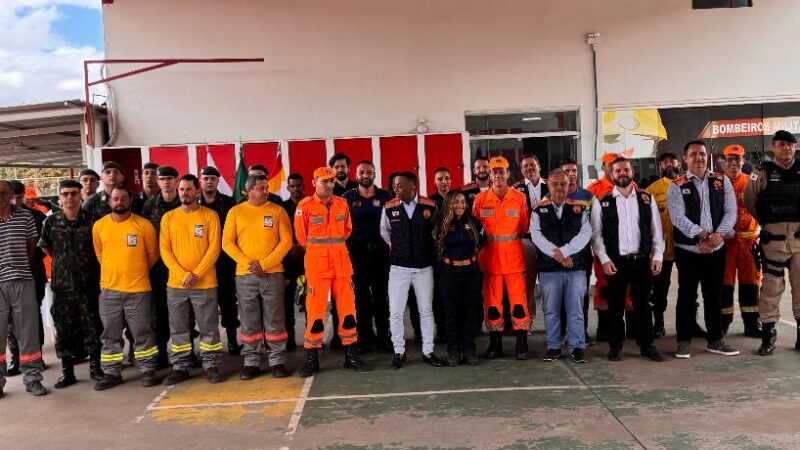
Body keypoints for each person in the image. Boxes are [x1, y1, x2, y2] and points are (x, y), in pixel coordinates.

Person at [295, 167, 372, 376]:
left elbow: (347, 230)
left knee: (348, 312)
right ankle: (312, 358)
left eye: (330, 181)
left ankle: (351, 356)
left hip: (341, 264)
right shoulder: (304, 206)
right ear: (314, 183)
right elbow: (302, 238)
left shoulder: (341, 203)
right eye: (323, 181)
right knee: (315, 313)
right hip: (317, 267)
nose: (328, 185)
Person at [668, 140, 739, 359]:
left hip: (716, 250)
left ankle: (715, 340)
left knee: (714, 296)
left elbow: (731, 211)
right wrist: (704, 235)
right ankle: (683, 341)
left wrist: (718, 236)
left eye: (701, 153)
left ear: (707, 156)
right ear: (685, 158)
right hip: (688, 251)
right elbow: (677, 217)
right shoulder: (677, 185)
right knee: (687, 296)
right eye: (693, 154)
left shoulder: (721, 180)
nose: (698, 157)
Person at [592, 157, 665, 362]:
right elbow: (596, 236)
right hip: (615, 262)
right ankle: (616, 346)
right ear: (611, 174)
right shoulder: (603, 202)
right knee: (615, 306)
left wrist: (657, 255)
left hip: (641, 261)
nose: (622, 173)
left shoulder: (646, 199)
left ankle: (647, 345)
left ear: (632, 172)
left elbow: (656, 231)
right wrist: (605, 260)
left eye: (625, 170)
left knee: (643, 305)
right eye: (617, 171)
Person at [222, 174, 293, 379]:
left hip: (273, 274)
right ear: (248, 190)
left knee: (275, 318)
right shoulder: (236, 212)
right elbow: (227, 243)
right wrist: (250, 265)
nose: (265, 191)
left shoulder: (277, 211)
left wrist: (264, 264)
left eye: (266, 187)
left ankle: (277, 361)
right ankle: (251, 361)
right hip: (245, 276)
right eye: (260, 188)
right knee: (248, 320)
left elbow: (286, 241)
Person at [92, 184, 160, 390]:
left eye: (123, 198)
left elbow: (152, 255)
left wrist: (135, 272)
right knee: (110, 334)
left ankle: (148, 369)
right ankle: (112, 373)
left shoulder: (143, 225)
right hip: (110, 290)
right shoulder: (100, 226)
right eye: (115, 199)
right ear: (109, 201)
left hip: (138, 290)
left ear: (129, 201)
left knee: (142, 331)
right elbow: (100, 254)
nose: (119, 202)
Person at [38, 180, 103, 389]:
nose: (69, 198)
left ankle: (95, 367)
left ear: (80, 196)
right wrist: (63, 263)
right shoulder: (51, 222)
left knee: (92, 326)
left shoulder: (92, 221)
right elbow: (46, 247)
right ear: (59, 198)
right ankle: (67, 372)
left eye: (73, 193)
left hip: (88, 284)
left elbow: (100, 250)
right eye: (65, 194)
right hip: (62, 286)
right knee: (64, 329)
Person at [160, 174, 224, 385]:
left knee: (208, 326)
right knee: (178, 328)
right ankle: (180, 367)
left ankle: (211, 365)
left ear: (197, 191)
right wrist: (183, 275)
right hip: (176, 285)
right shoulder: (168, 218)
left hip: (204, 283)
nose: (184, 193)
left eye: (188, 189)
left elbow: (214, 248)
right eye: (181, 189)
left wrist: (196, 274)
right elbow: (165, 251)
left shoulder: (210, 216)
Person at [381, 171, 445, 369]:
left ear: (412, 187)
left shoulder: (430, 205)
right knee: (395, 312)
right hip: (398, 268)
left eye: (399, 185)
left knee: (426, 311)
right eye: (394, 185)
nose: (395, 188)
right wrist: (397, 247)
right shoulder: (389, 207)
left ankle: (428, 351)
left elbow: (438, 233)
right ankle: (399, 352)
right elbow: (384, 231)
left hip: (424, 268)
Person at [744, 130, 800, 355]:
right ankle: (768, 336)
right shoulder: (761, 172)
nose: (787, 149)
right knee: (770, 290)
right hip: (773, 241)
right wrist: (768, 223)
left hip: (798, 241)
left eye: (791, 145)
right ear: (773, 147)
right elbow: (750, 201)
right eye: (782, 145)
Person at [473, 156, 531, 360]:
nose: (497, 174)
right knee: (493, 305)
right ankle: (495, 345)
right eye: (494, 171)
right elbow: (474, 230)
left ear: (508, 173)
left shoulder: (519, 198)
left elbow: (524, 227)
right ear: (489, 174)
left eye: (501, 171)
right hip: (490, 262)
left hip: (514, 260)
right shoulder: (480, 201)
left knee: (518, 304)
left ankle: (521, 345)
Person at [532, 170, 592, 363]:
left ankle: (578, 347)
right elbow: (536, 237)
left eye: (563, 184)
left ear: (569, 185)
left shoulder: (581, 208)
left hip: (576, 268)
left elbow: (585, 234)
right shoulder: (537, 210)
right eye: (555, 184)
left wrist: (565, 252)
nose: (559, 188)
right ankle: (553, 346)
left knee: (575, 310)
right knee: (551, 310)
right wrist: (558, 256)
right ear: (548, 185)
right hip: (549, 270)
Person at [0, 179, 47, 397]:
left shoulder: (25, 216)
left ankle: (33, 380)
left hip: (22, 280)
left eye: (3, 193)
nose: (0, 197)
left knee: (28, 334)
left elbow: (31, 248)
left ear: (11, 194)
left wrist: (18, 267)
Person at [342, 161, 393, 353]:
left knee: (381, 299)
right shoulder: (347, 197)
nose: (365, 175)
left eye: (369, 172)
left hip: (381, 256)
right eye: (362, 172)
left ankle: (384, 338)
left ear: (374, 174)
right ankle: (363, 337)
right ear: (356, 174)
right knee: (360, 299)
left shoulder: (385, 196)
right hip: (357, 256)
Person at [433, 190, 484, 366]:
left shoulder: (474, 222)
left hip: (471, 272)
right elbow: (434, 245)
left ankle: (469, 350)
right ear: (448, 204)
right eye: (456, 202)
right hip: (449, 273)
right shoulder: (440, 222)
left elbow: (482, 242)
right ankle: (454, 351)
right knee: (452, 314)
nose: (460, 205)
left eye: (462, 201)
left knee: (470, 313)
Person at [198, 165, 241, 355]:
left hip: (224, 262)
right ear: (200, 181)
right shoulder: (194, 204)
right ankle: (209, 345)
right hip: (201, 263)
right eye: (205, 178)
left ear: (217, 181)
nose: (209, 181)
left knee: (228, 302)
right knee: (204, 306)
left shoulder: (229, 202)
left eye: (212, 178)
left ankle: (232, 340)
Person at [142, 165, 181, 368]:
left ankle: (186, 352)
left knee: (184, 311)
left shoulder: (184, 202)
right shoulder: (150, 205)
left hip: (182, 265)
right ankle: (162, 352)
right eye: (162, 179)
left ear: (176, 180)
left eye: (169, 178)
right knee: (158, 310)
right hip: (158, 267)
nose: (166, 182)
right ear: (158, 182)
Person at [720, 144, 761, 338]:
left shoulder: (752, 181)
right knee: (724, 285)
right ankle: (723, 324)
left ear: (742, 162)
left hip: (748, 244)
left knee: (750, 284)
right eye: (730, 160)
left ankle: (751, 324)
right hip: (725, 246)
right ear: (724, 162)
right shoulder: (716, 183)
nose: (733, 163)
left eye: (737, 159)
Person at [646, 152, 681, 338]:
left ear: (678, 162)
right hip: (663, 249)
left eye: (671, 161)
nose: (669, 164)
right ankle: (658, 323)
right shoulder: (652, 189)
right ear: (660, 166)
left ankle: (690, 322)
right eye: (664, 162)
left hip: (686, 247)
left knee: (689, 288)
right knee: (660, 288)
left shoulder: (687, 183)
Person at [561, 159, 595, 340]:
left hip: (583, 255)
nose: (572, 174)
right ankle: (562, 331)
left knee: (581, 294)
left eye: (574, 170)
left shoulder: (588, 197)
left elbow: (595, 226)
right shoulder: (552, 196)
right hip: (561, 255)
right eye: (567, 171)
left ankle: (581, 331)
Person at [514, 154, 548, 322]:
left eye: (532, 165)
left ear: (539, 166)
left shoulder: (552, 186)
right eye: (525, 166)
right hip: (526, 241)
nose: (529, 168)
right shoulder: (515, 190)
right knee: (527, 283)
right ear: (521, 170)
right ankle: (529, 319)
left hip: (548, 242)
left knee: (549, 283)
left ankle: (551, 321)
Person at [281, 173, 306, 351]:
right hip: (288, 262)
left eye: (299, 185)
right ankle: (289, 339)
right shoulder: (281, 208)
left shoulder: (312, 205)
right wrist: (292, 248)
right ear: (288, 188)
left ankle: (313, 338)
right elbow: (278, 234)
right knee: (287, 303)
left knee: (311, 303)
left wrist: (304, 248)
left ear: (303, 186)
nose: (296, 189)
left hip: (310, 261)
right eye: (293, 186)